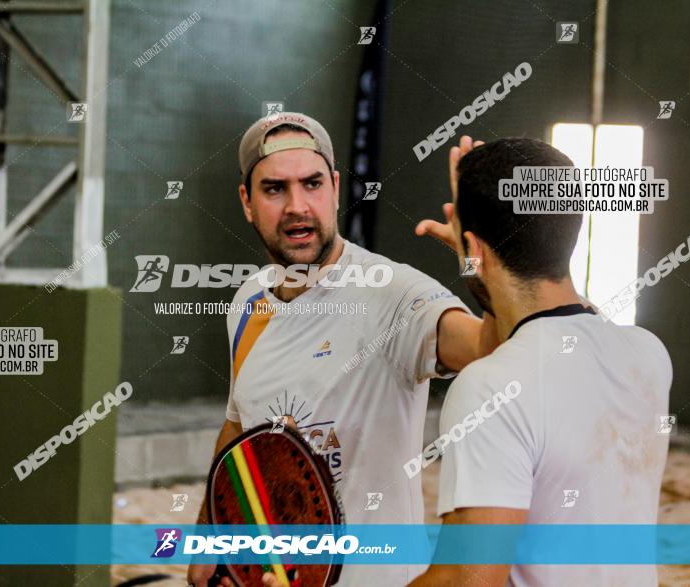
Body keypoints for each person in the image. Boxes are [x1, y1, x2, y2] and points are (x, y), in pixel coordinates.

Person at [187, 113, 498, 587]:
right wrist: (210, 542)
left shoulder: (392, 293)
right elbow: (237, 428)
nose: (298, 206)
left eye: (312, 184)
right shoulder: (248, 302)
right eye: (274, 189)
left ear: (334, 187)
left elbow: (490, 350)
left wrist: (486, 266)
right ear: (247, 202)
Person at [400, 137, 671, 586]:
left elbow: (465, 581)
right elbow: (555, 333)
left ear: (475, 248)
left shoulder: (488, 389)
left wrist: (477, 264)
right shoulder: (648, 355)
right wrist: (480, 258)